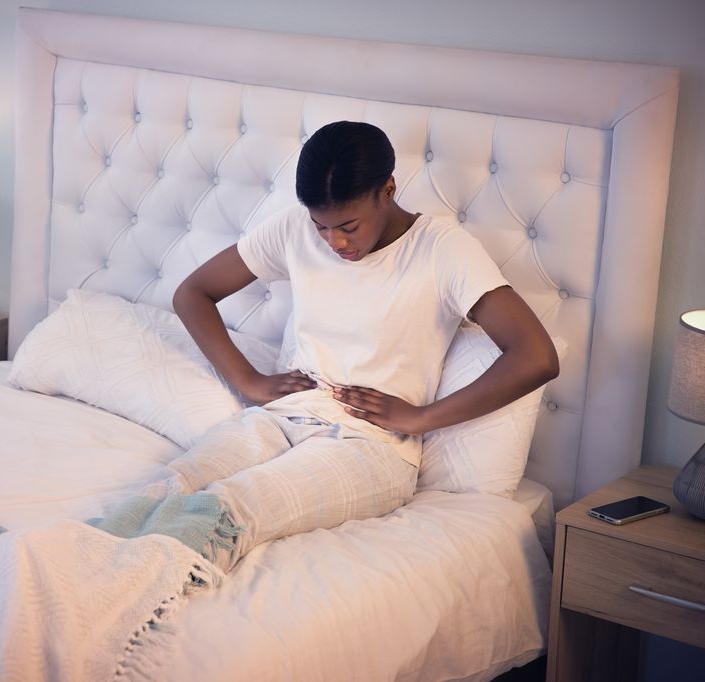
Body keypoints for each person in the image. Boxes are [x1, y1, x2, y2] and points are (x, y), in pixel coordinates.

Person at [91, 121, 559, 573]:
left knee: (228, 511)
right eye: (321, 226)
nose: (334, 241)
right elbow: (192, 294)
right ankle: (69, 574)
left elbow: (535, 356)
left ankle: (114, 598)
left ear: (388, 191)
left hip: (371, 449)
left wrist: (418, 418)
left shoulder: (442, 249)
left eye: (349, 226)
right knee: (171, 486)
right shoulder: (294, 229)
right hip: (285, 416)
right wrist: (248, 380)